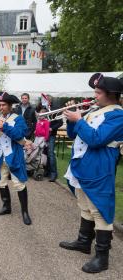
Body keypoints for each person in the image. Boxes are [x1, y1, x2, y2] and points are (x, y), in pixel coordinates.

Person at [59, 73, 123, 274]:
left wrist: (79, 119)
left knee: (100, 210)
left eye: (98, 92)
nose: (94, 95)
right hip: (83, 166)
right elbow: (74, 134)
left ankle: (102, 257)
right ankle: (83, 241)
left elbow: (96, 139)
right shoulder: (96, 111)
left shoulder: (118, 115)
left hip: (99, 169)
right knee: (85, 206)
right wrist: (71, 118)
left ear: (111, 94)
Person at [0, 92, 32, 225]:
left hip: (14, 155)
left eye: (3, 105)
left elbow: (20, 135)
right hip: (0, 156)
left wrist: (4, 126)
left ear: (10, 105)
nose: (0, 107)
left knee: (18, 184)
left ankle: (25, 212)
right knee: (1, 182)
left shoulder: (18, 119)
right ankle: (6, 207)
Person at [43, 95, 63, 182]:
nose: (43, 101)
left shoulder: (56, 109)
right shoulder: (43, 108)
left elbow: (60, 122)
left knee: (50, 153)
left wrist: (52, 128)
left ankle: (53, 173)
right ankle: (46, 171)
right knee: (45, 153)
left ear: (49, 101)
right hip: (43, 135)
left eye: (45, 100)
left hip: (51, 134)